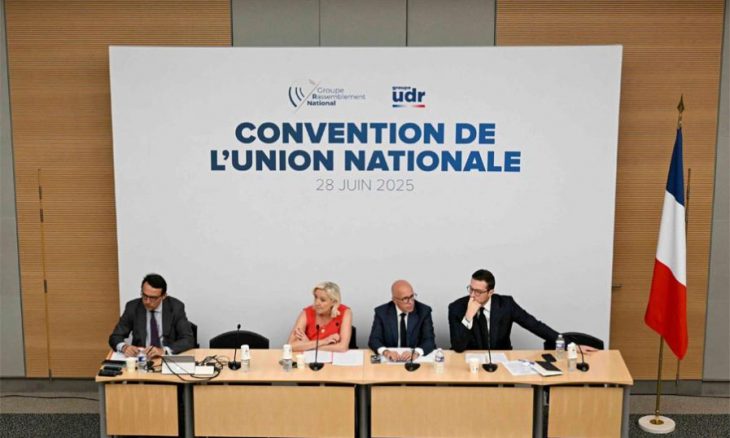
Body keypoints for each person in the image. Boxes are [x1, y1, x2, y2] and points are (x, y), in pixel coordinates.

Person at [449, 269, 563, 352]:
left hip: (500, 362)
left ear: (490, 292)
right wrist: (468, 316)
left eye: (478, 292)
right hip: (470, 363)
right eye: (471, 289)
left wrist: (567, 343)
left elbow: (535, 325)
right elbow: (458, 347)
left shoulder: (506, 304)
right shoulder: (456, 308)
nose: (472, 295)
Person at [109, 273, 194, 358]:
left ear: (164, 296)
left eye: (153, 298)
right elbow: (115, 336)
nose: (147, 301)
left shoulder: (176, 307)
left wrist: (163, 351)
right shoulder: (132, 307)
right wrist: (124, 347)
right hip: (141, 358)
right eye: (144, 296)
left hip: (165, 358)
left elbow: (188, 339)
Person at [368, 280, 436, 361]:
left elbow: (429, 340)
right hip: (391, 360)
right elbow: (374, 340)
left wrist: (416, 353)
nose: (410, 302)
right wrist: (386, 352)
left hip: (414, 361)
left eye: (412, 296)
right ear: (394, 300)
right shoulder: (382, 312)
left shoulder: (424, 311)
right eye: (405, 299)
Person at [288, 281, 352, 352]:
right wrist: (324, 341)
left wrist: (308, 344)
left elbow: (342, 347)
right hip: (309, 358)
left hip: (334, 358)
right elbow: (290, 346)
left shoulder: (345, 312)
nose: (317, 303)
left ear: (334, 302)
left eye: (322, 300)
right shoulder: (306, 312)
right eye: (316, 297)